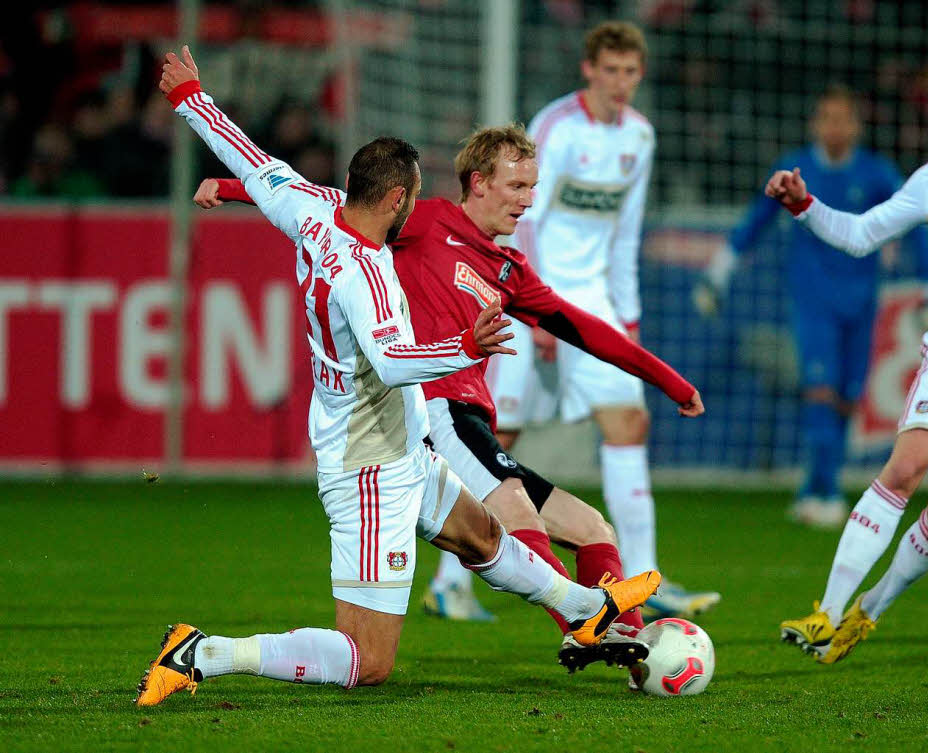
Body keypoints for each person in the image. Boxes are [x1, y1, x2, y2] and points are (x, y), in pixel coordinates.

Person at [135, 46, 661, 707]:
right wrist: (462, 346)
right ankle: (202, 651)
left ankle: (586, 608)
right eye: (413, 197)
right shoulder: (365, 273)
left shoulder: (313, 207)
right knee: (368, 660)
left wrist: (191, 98)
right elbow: (390, 359)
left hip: (395, 440)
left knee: (481, 535)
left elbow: (250, 158)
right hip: (369, 467)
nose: (419, 207)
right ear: (394, 198)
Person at [196, 123, 704, 673]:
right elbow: (344, 206)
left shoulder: (510, 271)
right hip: (430, 409)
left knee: (591, 529)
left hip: (466, 421)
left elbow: (582, 329)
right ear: (478, 182)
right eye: (516, 186)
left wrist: (668, 380)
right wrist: (233, 189)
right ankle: (583, 630)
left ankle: (626, 639)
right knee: (507, 506)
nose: (527, 200)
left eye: (533, 188)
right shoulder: (426, 219)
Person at [456, 20, 719, 622]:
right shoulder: (555, 128)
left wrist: (626, 316)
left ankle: (645, 580)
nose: (621, 83)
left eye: (631, 72)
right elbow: (529, 219)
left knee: (628, 424)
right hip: (533, 294)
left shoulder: (641, 138)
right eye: (612, 71)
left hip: (594, 301)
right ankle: (452, 579)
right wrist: (538, 315)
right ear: (589, 70)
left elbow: (625, 233)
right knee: (502, 439)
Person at [772, 56, 928, 663]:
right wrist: (806, 205)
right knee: (908, 464)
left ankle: (869, 610)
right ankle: (825, 612)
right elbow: (861, 236)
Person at [698, 85, 928, 529]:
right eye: (827, 117)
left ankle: (816, 485)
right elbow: (756, 221)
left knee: (848, 397)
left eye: (843, 118)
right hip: (813, 301)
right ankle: (826, 492)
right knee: (819, 389)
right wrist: (719, 271)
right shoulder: (795, 170)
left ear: (856, 125)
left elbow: (914, 226)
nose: (835, 127)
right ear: (815, 123)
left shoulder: (876, 173)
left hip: (863, 301)